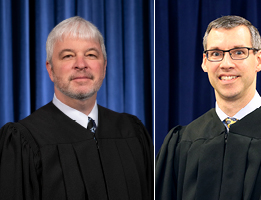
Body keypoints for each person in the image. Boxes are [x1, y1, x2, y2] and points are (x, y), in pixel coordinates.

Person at [156, 15, 261, 200]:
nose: (226, 64)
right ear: (205, 62)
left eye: (238, 52)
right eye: (216, 54)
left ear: (259, 60)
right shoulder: (182, 142)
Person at [0, 16, 153, 199]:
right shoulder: (24, 140)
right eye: (68, 56)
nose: (81, 65)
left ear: (104, 67)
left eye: (91, 55)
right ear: (50, 70)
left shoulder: (132, 132)